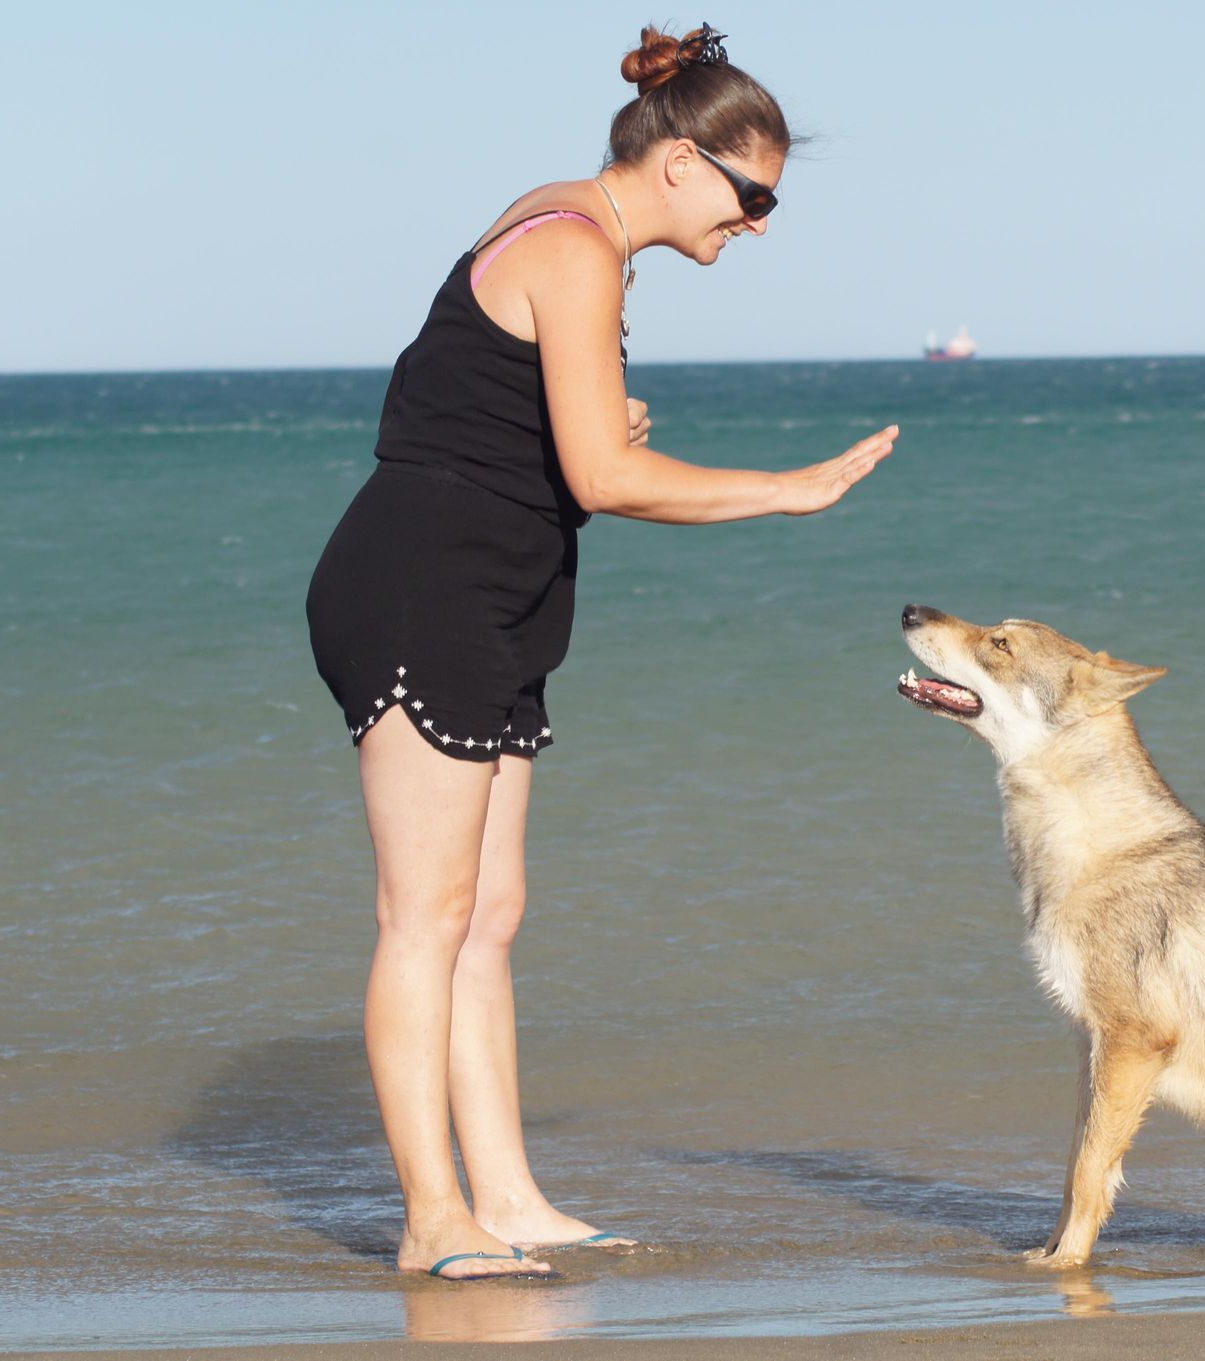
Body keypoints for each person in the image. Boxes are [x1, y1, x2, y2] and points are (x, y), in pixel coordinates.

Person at [304, 23, 897, 1281]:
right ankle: (431, 1219)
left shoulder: (577, 233)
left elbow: (473, 395)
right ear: (681, 161)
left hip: (495, 589)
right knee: (426, 915)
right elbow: (601, 474)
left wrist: (582, 424)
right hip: (423, 587)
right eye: (753, 196)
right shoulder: (575, 246)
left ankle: (507, 1194)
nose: (759, 223)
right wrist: (782, 490)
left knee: (490, 910)